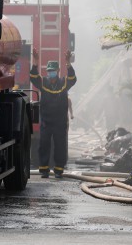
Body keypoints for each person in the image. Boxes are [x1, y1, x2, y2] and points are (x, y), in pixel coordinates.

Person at [30, 49, 77, 179]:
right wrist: (35, 61)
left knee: (60, 146)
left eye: (53, 71)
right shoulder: (43, 82)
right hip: (46, 121)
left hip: (60, 122)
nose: (51, 73)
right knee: (44, 144)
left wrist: (68, 63)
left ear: (57, 71)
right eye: (49, 71)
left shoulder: (63, 83)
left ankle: (58, 169)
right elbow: (33, 77)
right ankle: (44, 170)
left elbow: (73, 79)